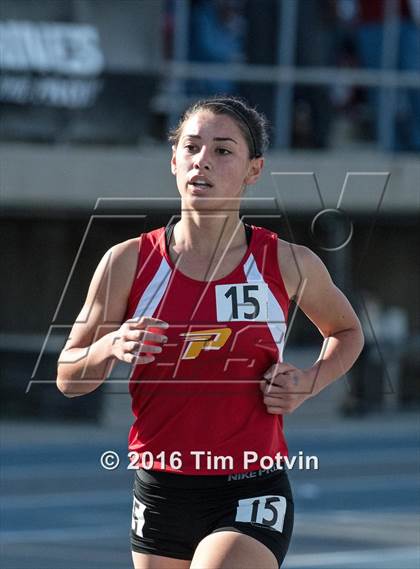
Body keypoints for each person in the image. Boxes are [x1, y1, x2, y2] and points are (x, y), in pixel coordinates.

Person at [56, 96, 364, 569]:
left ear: (253, 169)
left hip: (249, 486)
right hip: (161, 489)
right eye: (192, 147)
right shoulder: (127, 262)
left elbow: (346, 331)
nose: (203, 160)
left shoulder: (286, 262)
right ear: (174, 161)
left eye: (223, 151)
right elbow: (69, 377)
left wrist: (308, 382)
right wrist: (108, 344)